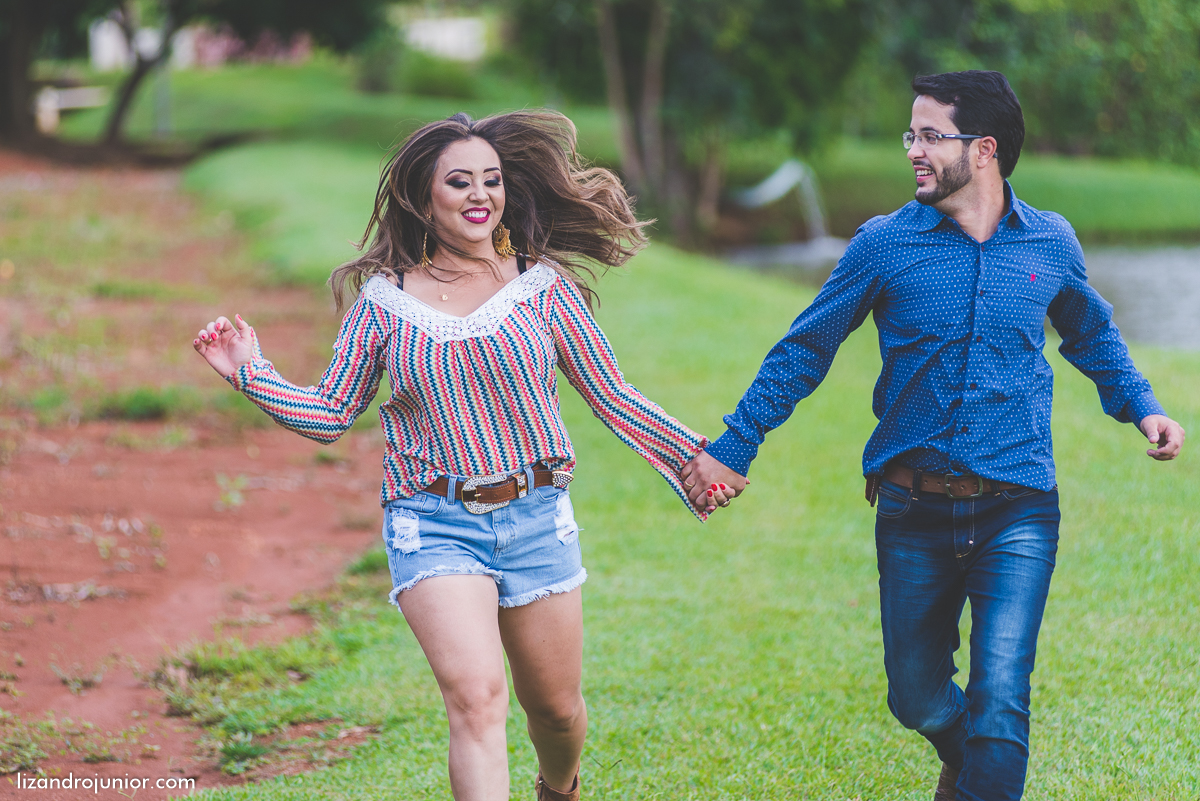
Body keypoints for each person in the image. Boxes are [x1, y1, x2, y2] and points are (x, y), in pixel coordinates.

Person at [192, 110, 736, 801]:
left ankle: (559, 787)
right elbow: (332, 413)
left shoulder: (542, 289)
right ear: (424, 198)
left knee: (557, 712)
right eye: (460, 182)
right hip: (433, 522)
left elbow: (613, 395)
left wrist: (695, 457)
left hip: (538, 518)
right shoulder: (383, 305)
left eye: (492, 180)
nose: (481, 195)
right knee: (477, 699)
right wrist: (251, 372)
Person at [681, 71, 1185, 801]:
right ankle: (973, 757)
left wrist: (1144, 405)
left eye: (928, 135)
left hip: (1019, 506)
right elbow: (805, 349)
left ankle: (983, 768)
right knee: (915, 696)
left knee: (1004, 691)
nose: (913, 149)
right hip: (912, 511)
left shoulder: (1050, 239)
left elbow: (1092, 331)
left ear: (983, 149)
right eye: (910, 135)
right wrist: (735, 443)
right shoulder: (884, 245)